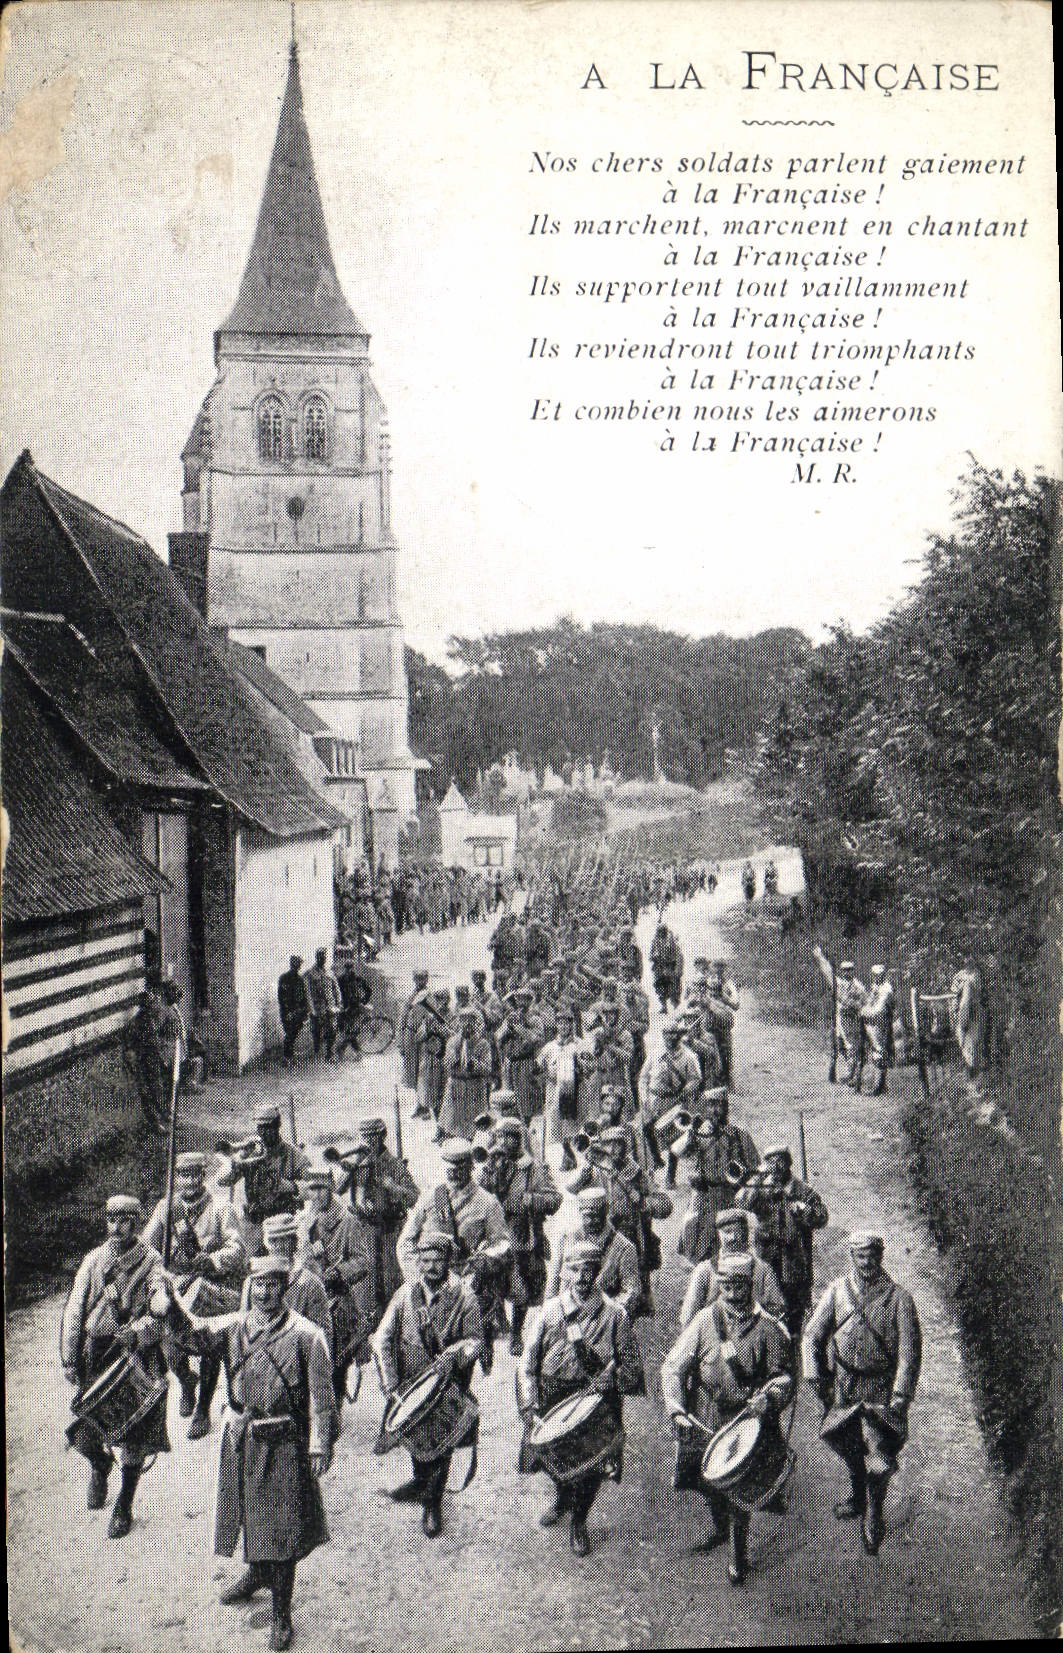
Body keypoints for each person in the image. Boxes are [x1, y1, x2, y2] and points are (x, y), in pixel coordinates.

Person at [167, 1253, 335, 1651]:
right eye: (257, 1285)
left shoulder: (307, 1335)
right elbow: (194, 1336)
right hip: (240, 1433)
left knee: (284, 1527)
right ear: (249, 1287)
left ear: (285, 1287)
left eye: (273, 1284)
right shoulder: (234, 1326)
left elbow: (322, 1399)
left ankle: (281, 1611)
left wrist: (320, 1444)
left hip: (282, 1440)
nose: (264, 1292)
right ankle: (257, 1571)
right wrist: (170, 1306)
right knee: (246, 1511)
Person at [661, 1251, 792, 1584]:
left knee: (739, 1486)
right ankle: (720, 1525)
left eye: (739, 1287)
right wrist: (677, 1407)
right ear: (718, 1285)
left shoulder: (768, 1328)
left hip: (749, 1421)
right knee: (704, 1480)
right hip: (708, 1415)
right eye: (725, 1287)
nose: (732, 1295)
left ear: (750, 1286)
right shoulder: (705, 1321)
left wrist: (771, 1396)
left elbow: (785, 1377)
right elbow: (673, 1366)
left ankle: (737, 1549)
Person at [517, 1242, 645, 1556]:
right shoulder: (549, 1312)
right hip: (553, 1394)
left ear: (598, 1273)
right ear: (565, 1272)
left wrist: (611, 1378)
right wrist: (530, 1406)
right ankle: (562, 1497)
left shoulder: (615, 1315)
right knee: (549, 1455)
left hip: (596, 1402)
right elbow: (528, 1364)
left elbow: (632, 1370)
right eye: (575, 1269)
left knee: (592, 1465)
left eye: (589, 1269)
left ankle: (579, 1520)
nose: (582, 1277)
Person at [803, 1231, 922, 1555]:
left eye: (872, 1255)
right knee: (845, 1440)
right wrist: (817, 1378)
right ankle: (858, 1494)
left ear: (880, 1257)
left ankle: (873, 1512)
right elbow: (812, 1337)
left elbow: (910, 1353)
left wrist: (901, 1395)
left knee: (878, 1457)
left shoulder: (899, 1298)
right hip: (844, 1386)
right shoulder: (838, 1292)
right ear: (852, 1257)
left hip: (880, 1390)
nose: (867, 1262)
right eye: (861, 1256)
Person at [60, 1194, 171, 1537]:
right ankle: (99, 1464)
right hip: (98, 1352)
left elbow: (159, 1307)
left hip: (137, 1354)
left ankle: (124, 1502)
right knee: (85, 1429)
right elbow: (76, 1308)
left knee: (136, 1431)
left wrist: (155, 1309)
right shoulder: (94, 1261)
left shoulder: (151, 1260)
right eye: (111, 1219)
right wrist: (69, 1356)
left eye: (124, 1219)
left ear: (138, 1222)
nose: (116, 1226)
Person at [372, 1229, 483, 1538]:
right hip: (410, 1383)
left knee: (441, 1442)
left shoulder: (464, 1295)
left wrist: (456, 1354)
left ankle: (432, 1503)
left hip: (446, 1384)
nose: (432, 1266)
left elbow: (475, 1341)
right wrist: (391, 1386)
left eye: (438, 1260)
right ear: (418, 1261)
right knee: (416, 1437)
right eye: (426, 1260)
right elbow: (382, 1338)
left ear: (448, 1260)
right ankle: (420, 1481)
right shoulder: (405, 1295)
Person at [142, 1149, 246, 1439]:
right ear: (176, 1178)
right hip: (176, 1284)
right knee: (172, 1346)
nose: (189, 1181)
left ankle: (203, 1408)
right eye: (183, 1175)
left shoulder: (220, 1208)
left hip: (210, 1287)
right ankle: (186, 1381)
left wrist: (212, 1261)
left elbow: (237, 1249)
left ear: (203, 1176)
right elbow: (147, 1246)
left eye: (195, 1175)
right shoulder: (167, 1208)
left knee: (210, 1343)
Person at [399, 1139, 513, 1374]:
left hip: (466, 1283)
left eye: (459, 1169)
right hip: (429, 1284)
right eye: (449, 1170)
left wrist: (482, 1261)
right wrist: (415, 1276)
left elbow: (502, 1243)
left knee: (460, 1359)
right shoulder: (431, 1198)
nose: (454, 1175)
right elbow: (406, 1241)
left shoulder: (487, 1202)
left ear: (470, 1167)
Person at [331, 1117, 420, 1382]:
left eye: (373, 1137)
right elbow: (337, 1189)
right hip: (364, 1230)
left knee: (391, 1284)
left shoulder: (393, 1164)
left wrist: (392, 1187)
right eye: (364, 1137)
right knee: (363, 1287)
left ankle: (394, 1336)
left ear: (382, 1137)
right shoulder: (358, 1161)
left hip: (390, 1230)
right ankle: (361, 1346)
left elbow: (415, 1196)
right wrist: (349, 1167)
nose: (368, 1142)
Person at [564, 1124, 673, 1317]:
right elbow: (571, 1188)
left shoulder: (635, 1173)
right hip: (599, 1232)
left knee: (631, 1281)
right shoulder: (594, 1169)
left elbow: (664, 1205)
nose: (614, 1150)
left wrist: (642, 1200)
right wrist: (585, 1166)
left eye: (619, 1145)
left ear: (627, 1146)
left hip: (629, 1232)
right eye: (609, 1144)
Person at [477, 1119, 561, 1355]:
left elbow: (554, 1198)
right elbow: (478, 1192)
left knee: (521, 1283)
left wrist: (529, 1200)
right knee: (487, 1280)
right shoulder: (491, 1162)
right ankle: (489, 1331)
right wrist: (489, 1171)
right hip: (494, 1230)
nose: (505, 1142)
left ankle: (516, 1332)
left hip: (522, 1232)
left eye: (511, 1137)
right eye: (501, 1136)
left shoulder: (533, 1167)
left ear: (519, 1139)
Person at [737, 1144, 828, 1344]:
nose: (776, 1166)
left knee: (794, 1310)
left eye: (780, 1160)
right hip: (767, 1259)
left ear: (789, 1163)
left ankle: (793, 1348)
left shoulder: (802, 1190)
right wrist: (758, 1179)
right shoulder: (760, 1188)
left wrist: (806, 1211)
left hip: (794, 1261)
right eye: (770, 1161)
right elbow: (742, 1202)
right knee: (767, 1304)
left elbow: (822, 1218)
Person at [299, 1160, 370, 1411]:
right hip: (310, 1298)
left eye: (321, 1188)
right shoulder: (305, 1220)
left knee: (338, 1356)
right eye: (312, 1189)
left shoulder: (347, 1221)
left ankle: (335, 1405)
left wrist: (339, 1272)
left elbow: (363, 1261)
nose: (316, 1195)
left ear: (331, 1188)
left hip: (337, 1299)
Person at [675, 1088, 760, 1262]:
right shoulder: (698, 1134)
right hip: (702, 1196)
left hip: (727, 1196)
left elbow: (756, 1170)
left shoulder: (738, 1135)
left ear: (726, 1108)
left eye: (719, 1105)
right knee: (695, 1243)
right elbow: (677, 1151)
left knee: (729, 1244)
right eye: (710, 1105)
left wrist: (743, 1185)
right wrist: (692, 1131)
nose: (714, 1110)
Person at [218, 1104, 310, 1257]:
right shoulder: (252, 1153)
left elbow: (314, 1186)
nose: (263, 1133)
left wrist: (290, 1186)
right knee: (253, 1267)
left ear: (278, 1126)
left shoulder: (293, 1155)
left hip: (282, 1225)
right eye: (260, 1128)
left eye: (269, 1128)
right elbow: (223, 1181)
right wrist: (241, 1156)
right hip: (254, 1224)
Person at [679, 1208, 785, 1327]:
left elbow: (777, 1309)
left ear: (745, 1234)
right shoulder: (705, 1270)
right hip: (715, 1335)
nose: (733, 1237)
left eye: (738, 1231)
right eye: (727, 1231)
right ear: (718, 1233)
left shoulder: (762, 1269)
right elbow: (688, 1317)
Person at [546, 1187, 640, 1317]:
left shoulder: (624, 1247)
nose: (590, 1222)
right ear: (579, 1211)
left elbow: (631, 1291)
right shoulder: (567, 1238)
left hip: (601, 1317)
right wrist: (552, 1310)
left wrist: (608, 1314)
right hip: (567, 1314)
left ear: (606, 1211)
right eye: (586, 1216)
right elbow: (553, 1281)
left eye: (596, 1216)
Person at [641, 1018, 702, 1172]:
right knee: (647, 1130)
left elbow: (696, 1078)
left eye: (673, 1034)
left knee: (674, 1137)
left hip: (675, 1100)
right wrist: (644, 1098)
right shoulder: (656, 1053)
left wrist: (686, 1091)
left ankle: (670, 1174)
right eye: (667, 1034)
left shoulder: (688, 1056)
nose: (670, 1037)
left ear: (679, 1036)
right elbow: (644, 1076)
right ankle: (655, 1161)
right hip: (655, 1100)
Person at [813, 949, 868, 1086]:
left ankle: (852, 1075)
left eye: (849, 970)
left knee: (851, 1047)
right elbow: (828, 973)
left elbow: (864, 1002)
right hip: (839, 1018)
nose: (847, 972)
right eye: (844, 970)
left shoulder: (858, 987)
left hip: (852, 1020)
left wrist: (855, 1006)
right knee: (839, 1047)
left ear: (853, 971)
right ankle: (837, 1074)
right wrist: (820, 957)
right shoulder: (838, 983)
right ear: (842, 971)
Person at [440, 1006, 494, 1140]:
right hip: (456, 1088)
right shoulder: (452, 1042)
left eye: (471, 1020)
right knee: (453, 1130)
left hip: (475, 1089)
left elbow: (487, 1069)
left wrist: (474, 1064)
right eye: (463, 1020)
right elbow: (447, 1064)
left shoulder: (483, 1044)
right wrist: (455, 1056)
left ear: (476, 1023)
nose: (467, 1024)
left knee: (475, 1130)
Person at [538, 1002, 581, 1162]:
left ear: (571, 1025)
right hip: (553, 1090)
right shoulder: (549, 1047)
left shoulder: (579, 1045)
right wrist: (544, 1076)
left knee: (571, 1124)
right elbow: (538, 1067)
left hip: (573, 1090)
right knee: (556, 1124)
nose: (563, 1026)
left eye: (567, 1023)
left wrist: (579, 1071)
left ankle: (570, 1155)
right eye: (560, 1023)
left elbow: (588, 1065)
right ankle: (564, 1154)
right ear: (556, 1025)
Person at [498, 987, 546, 1124]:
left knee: (527, 1100)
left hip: (527, 1061)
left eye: (524, 999)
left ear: (530, 1000)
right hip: (511, 1062)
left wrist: (521, 1029)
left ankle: (527, 1125)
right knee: (510, 1099)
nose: (521, 1002)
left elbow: (537, 1039)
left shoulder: (535, 1019)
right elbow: (498, 1037)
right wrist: (507, 1029)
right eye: (519, 999)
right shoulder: (511, 1017)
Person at [416, 989, 452, 1137]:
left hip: (446, 1060)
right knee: (433, 1098)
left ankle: (447, 1129)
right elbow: (418, 1038)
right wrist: (428, 1031)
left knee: (446, 1097)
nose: (441, 1003)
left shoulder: (453, 1015)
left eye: (444, 999)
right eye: (438, 1000)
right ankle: (439, 1128)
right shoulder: (429, 1018)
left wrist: (442, 1031)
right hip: (431, 1061)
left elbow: (455, 1035)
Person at [860, 964, 896, 1095]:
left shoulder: (886, 989)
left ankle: (877, 1087)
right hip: (872, 1023)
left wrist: (863, 1012)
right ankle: (882, 1085)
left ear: (883, 975)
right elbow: (870, 1002)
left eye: (879, 974)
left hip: (881, 1023)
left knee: (879, 1051)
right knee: (875, 1051)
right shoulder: (875, 987)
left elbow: (879, 1010)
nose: (876, 977)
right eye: (874, 974)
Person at [305, 948, 343, 1062]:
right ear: (317, 958)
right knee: (316, 1031)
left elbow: (336, 988)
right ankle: (317, 1051)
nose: (323, 959)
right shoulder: (310, 973)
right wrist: (312, 1009)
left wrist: (339, 1004)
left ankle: (329, 1054)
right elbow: (308, 993)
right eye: (320, 957)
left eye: (324, 957)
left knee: (332, 1030)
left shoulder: (329, 972)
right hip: (317, 1008)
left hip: (330, 1007)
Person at [398, 969, 431, 1098]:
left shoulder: (428, 995)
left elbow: (431, 1016)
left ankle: (423, 1102)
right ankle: (419, 1101)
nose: (420, 981)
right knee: (411, 1070)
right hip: (409, 1034)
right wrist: (401, 1041)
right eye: (417, 978)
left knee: (422, 1071)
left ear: (427, 979)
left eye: (422, 978)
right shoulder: (412, 995)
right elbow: (403, 1016)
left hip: (422, 1037)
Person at [336, 958, 373, 1059]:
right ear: (345, 968)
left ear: (352, 968)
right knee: (344, 1029)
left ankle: (346, 1050)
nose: (349, 970)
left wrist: (362, 1002)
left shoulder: (357, 978)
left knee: (350, 1031)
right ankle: (346, 1050)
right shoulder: (340, 979)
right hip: (344, 1008)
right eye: (347, 968)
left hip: (354, 1008)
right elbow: (336, 993)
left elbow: (368, 990)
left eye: (350, 968)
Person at [278, 956, 311, 1065]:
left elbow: (304, 996)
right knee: (289, 1033)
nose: (298, 967)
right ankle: (287, 1057)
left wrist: (305, 1011)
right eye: (296, 964)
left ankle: (289, 1056)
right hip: (288, 1011)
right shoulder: (284, 978)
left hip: (298, 1011)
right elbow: (281, 997)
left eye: (299, 965)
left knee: (293, 1033)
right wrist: (287, 1011)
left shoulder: (300, 979)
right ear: (292, 965)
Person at [649, 922, 684, 1013]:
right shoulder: (655, 942)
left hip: (670, 967)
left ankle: (676, 1006)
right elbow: (651, 955)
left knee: (673, 987)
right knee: (660, 987)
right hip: (659, 968)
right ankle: (663, 1006)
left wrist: (677, 969)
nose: (661, 933)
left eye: (663, 931)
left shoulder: (672, 942)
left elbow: (678, 956)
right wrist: (654, 957)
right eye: (659, 931)